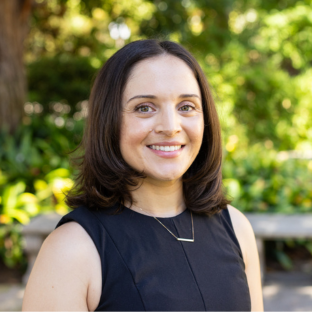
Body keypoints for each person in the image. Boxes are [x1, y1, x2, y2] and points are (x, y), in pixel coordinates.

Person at [22, 39, 263, 311]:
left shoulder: (236, 228)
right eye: (144, 107)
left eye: (186, 106)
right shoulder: (72, 250)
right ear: (109, 120)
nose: (170, 127)